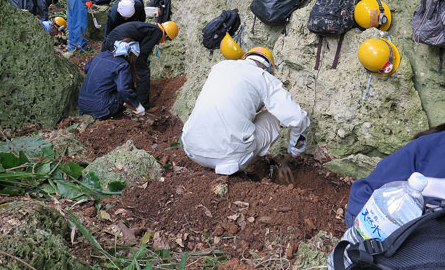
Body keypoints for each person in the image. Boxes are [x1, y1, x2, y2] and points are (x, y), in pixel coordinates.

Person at [180, 47, 310, 180]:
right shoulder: (263, 77)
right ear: (267, 70)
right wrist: (290, 156)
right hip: (230, 160)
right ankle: (235, 173)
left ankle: (209, 164)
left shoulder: (220, 67)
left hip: (192, 149)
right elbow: (299, 118)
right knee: (275, 116)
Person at [102, 20, 179, 109]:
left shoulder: (151, 28)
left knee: (123, 68)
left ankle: (125, 94)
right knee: (143, 72)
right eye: (167, 39)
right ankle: (143, 104)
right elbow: (142, 54)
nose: (164, 42)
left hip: (111, 40)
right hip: (119, 43)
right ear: (166, 36)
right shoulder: (157, 32)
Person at [78, 39, 145, 119]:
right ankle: (118, 116)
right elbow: (123, 89)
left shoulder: (101, 55)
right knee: (124, 92)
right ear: (131, 55)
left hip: (82, 103)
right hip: (101, 108)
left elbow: (86, 68)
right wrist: (137, 104)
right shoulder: (123, 65)